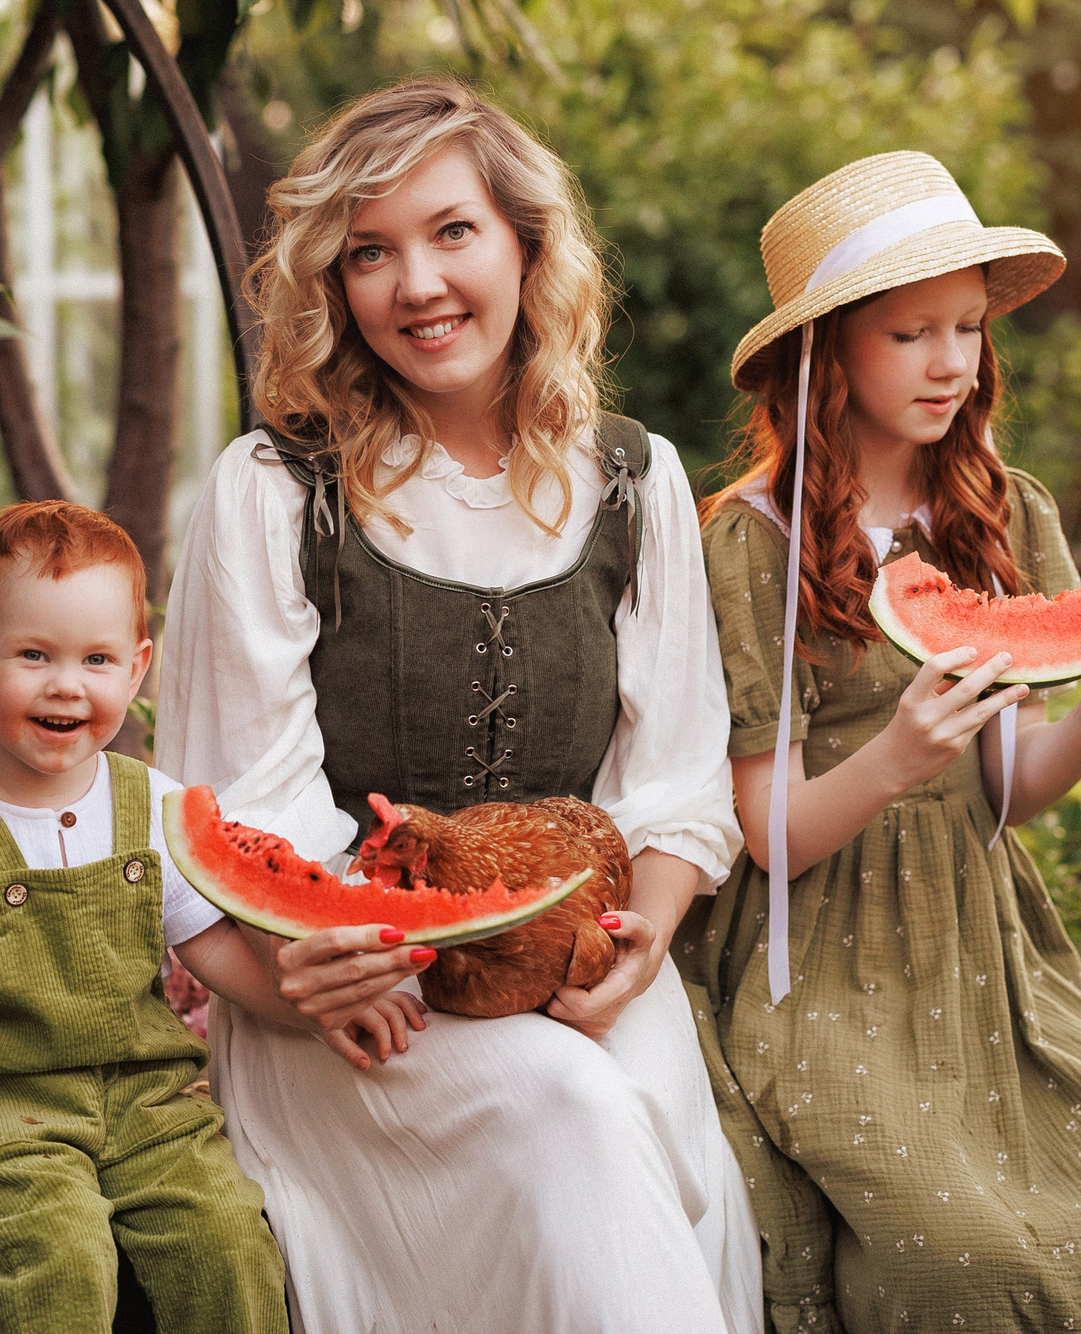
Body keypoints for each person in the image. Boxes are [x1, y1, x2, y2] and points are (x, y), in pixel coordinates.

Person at [156, 75, 762, 1334]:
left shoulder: (630, 478)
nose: (415, 284)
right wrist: (326, 975)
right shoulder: (274, 491)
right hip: (343, 998)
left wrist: (641, 935)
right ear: (333, 288)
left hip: (586, 958)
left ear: (526, 246)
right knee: (576, 1114)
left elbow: (678, 778)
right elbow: (238, 809)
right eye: (368, 253)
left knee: (645, 1107)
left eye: (451, 232)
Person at [683, 151, 1081, 1333]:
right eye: (909, 335)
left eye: (967, 330)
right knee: (963, 1256)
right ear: (825, 349)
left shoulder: (1004, 510)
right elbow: (766, 838)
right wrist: (892, 756)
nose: (951, 362)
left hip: (987, 942)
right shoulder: (746, 542)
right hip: (819, 965)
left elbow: (1015, 787)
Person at [0, 500, 424, 1334]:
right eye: (33, 654)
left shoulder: (154, 805)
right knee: (59, 1254)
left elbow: (213, 947)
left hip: (144, 1102)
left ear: (138, 668)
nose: (67, 683)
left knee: (227, 1234)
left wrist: (307, 1006)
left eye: (97, 658)